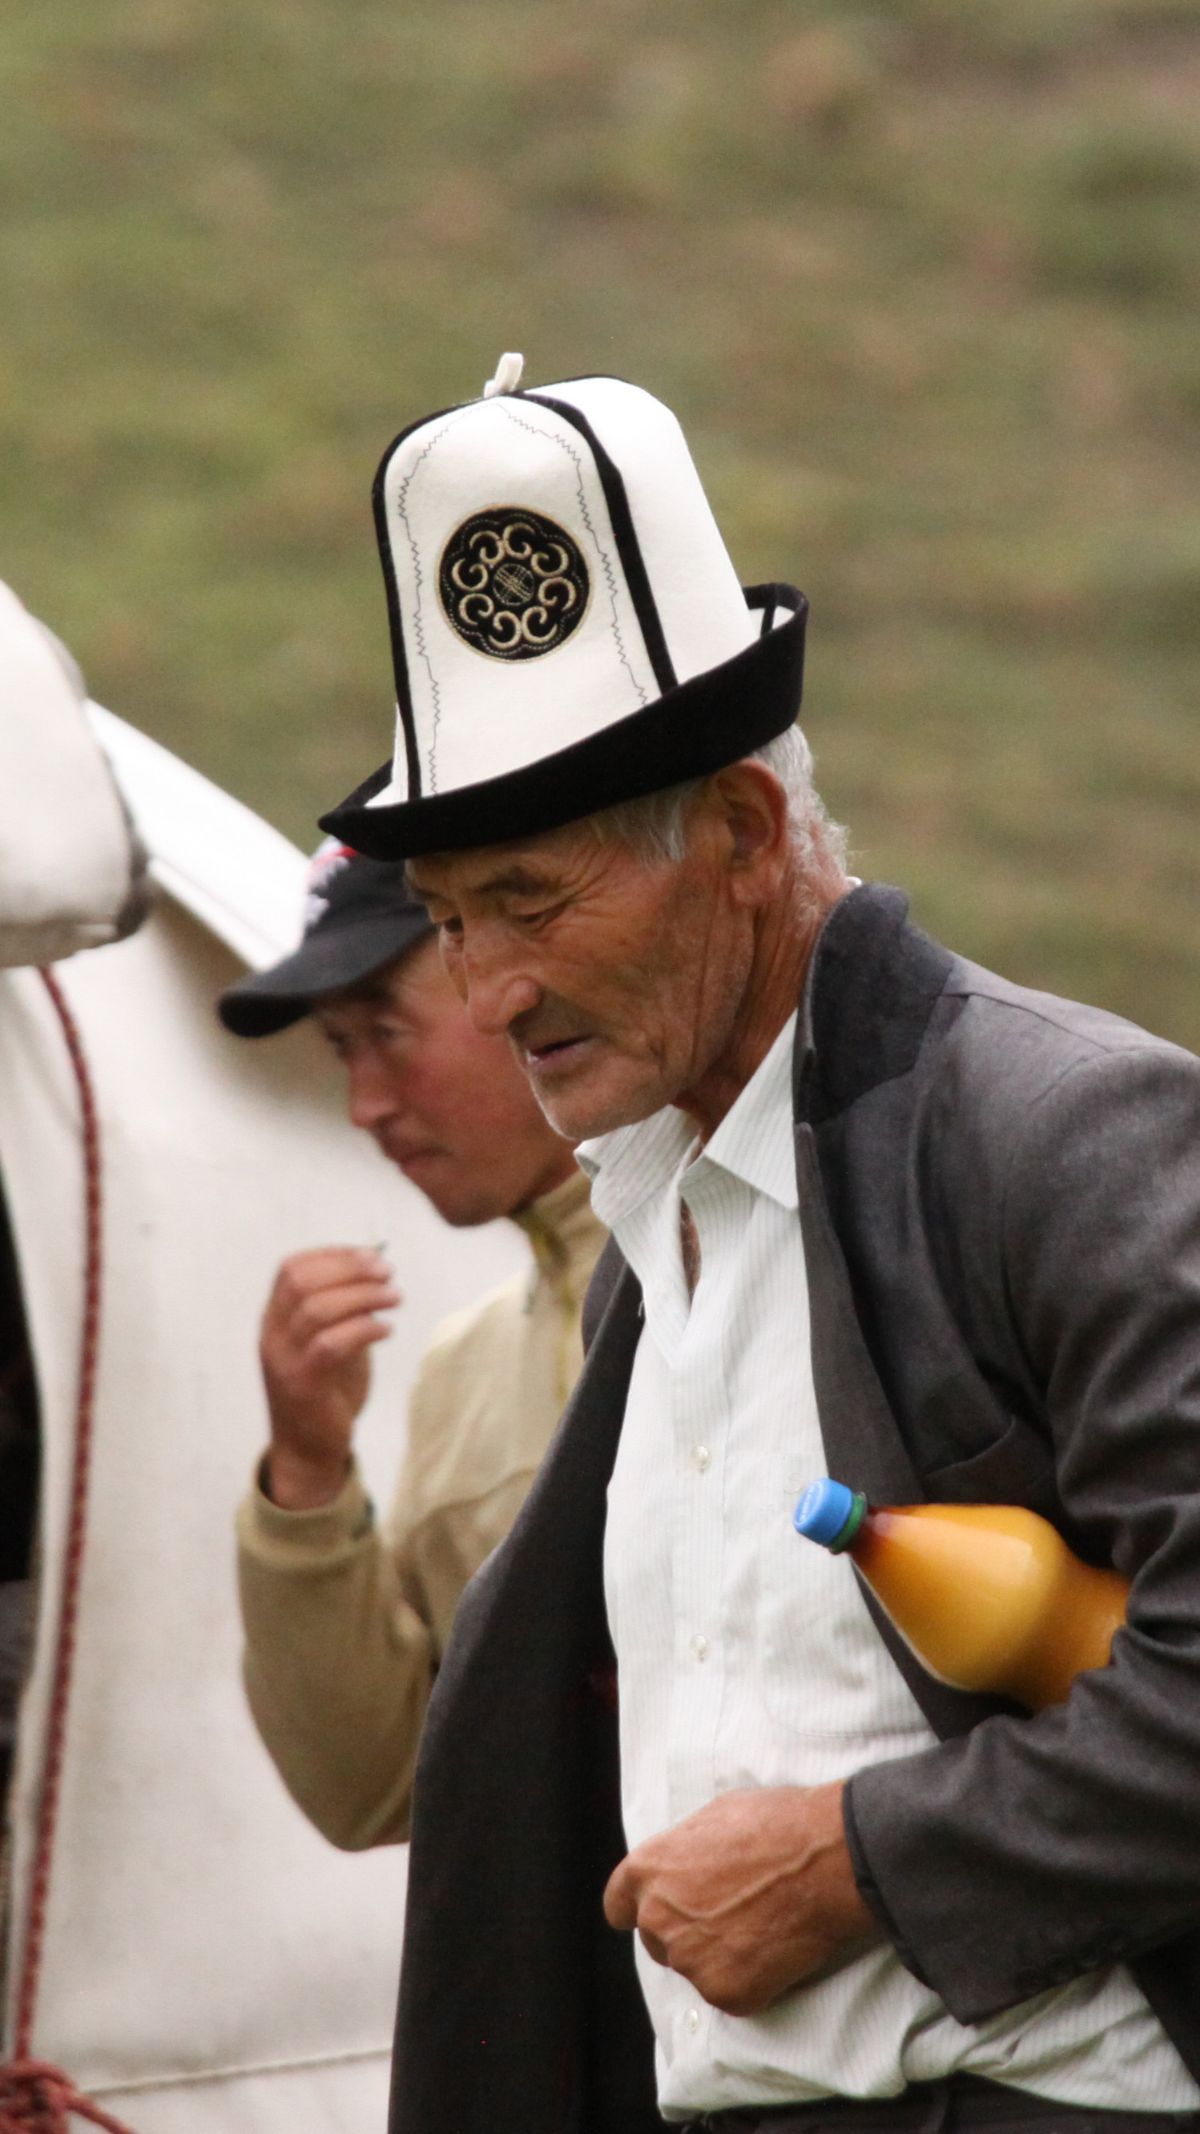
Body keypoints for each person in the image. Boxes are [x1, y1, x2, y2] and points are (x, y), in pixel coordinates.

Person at [319, 357, 1200, 2134]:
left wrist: (858, 1863)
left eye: (535, 900)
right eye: (450, 919)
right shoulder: (663, 1217)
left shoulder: (1061, 1132)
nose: (490, 989)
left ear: (736, 832)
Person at [218, 838, 605, 1848]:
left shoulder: (774, 1252)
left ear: (515, 978)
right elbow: (373, 1787)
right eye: (343, 1048)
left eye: (389, 1030)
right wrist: (304, 1469)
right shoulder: (460, 1371)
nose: (366, 1107)